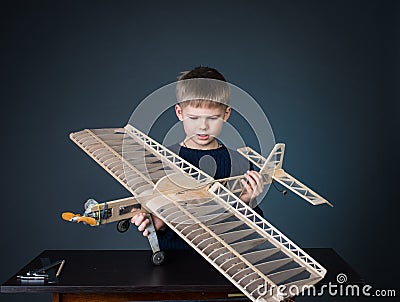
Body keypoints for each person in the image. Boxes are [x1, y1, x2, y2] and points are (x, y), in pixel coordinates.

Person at [131, 66, 264, 249]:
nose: (203, 127)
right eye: (194, 118)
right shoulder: (158, 160)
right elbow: (147, 217)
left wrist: (246, 201)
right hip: (174, 260)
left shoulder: (240, 163)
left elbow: (252, 227)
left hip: (227, 260)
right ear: (180, 113)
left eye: (213, 118)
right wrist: (154, 221)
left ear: (226, 114)